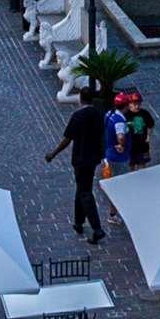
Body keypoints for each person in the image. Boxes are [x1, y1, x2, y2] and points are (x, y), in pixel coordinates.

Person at [45, 92, 110, 242]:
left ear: (80, 99)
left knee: (85, 192)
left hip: (81, 159)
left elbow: (67, 139)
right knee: (81, 188)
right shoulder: (98, 114)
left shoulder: (78, 117)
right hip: (93, 158)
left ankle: (97, 228)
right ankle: (79, 222)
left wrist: (53, 154)